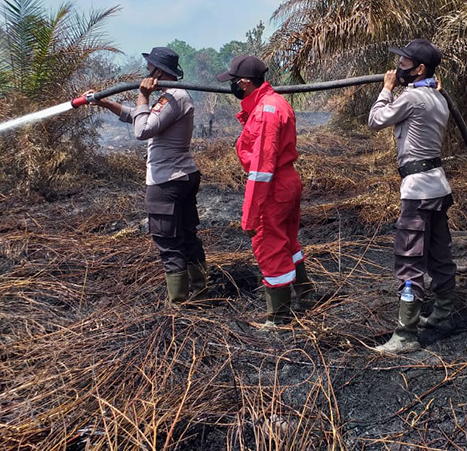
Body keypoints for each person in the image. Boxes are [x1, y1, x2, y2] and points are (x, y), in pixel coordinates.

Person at [85, 47, 209, 305]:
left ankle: (180, 302)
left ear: (158, 71)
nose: (146, 72)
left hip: (167, 180)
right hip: (183, 175)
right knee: (186, 236)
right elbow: (136, 116)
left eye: (149, 67)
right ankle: (199, 291)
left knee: (168, 241)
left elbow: (142, 130)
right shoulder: (171, 97)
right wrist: (105, 102)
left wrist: (142, 96)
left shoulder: (173, 98)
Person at [368, 39, 456, 354]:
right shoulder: (437, 97)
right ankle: (443, 314)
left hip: (417, 192)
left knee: (410, 260)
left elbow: (375, 120)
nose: (398, 68)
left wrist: (386, 88)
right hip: (437, 187)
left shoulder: (415, 97)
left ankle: (406, 335)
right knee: (439, 255)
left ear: (419, 69)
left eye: (404, 63)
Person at [216, 55, 314, 327]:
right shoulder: (273, 102)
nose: (233, 86)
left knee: (270, 245)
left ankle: (279, 316)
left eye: (234, 82)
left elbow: (260, 170)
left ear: (245, 83)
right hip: (287, 181)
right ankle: (305, 294)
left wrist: (249, 216)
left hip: (273, 188)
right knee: (287, 240)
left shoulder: (265, 112)